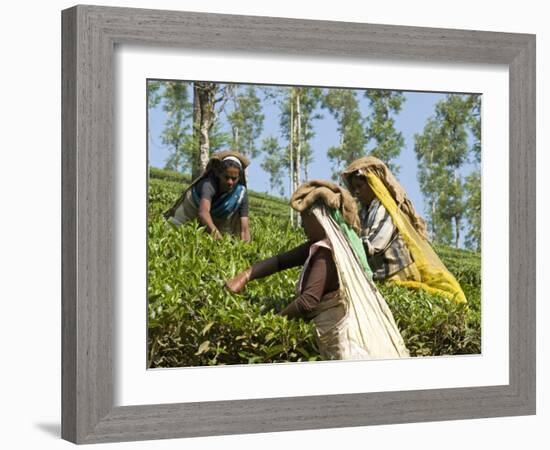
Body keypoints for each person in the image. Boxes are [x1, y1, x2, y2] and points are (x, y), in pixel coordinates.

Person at [225, 180, 409, 361]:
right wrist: (246, 275)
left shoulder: (325, 252)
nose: (303, 225)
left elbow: (307, 302)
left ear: (318, 218)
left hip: (340, 342)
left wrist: (270, 323)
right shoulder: (331, 245)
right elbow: (280, 261)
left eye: (305, 218)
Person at [342, 156, 466, 303]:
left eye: (360, 186)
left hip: (399, 275)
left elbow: (375, 244)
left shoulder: (385, 210)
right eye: (353, 188)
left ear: (373, 183)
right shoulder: (364, 213)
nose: (356, 192)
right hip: (382, 277)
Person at [164, 150, 251, 242]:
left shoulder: (240, 193)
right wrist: (217, 236)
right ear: (219, 174)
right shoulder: (208, 185)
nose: (230, 182)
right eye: (226, 177)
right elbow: (203, 213)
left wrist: (246, 248)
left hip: (218, 219)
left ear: (239, 177)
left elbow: (244, 228)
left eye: (234, 179)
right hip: (191, 211)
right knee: (173, 234)